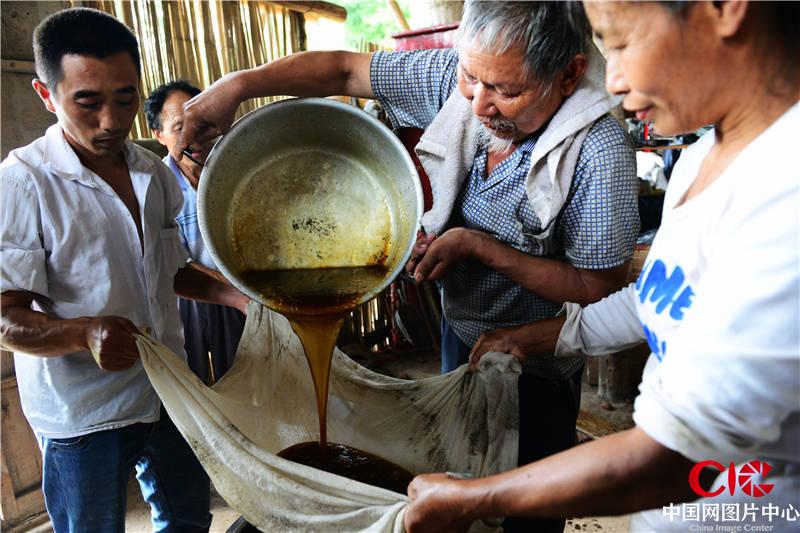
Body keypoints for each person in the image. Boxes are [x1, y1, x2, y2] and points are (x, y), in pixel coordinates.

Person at [173, 4, 638, 530]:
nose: (480, 104)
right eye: (471, 78)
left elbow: (598, 287)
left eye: (506, 91)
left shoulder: (597, 153)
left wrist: (481, 248)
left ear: (570, 74)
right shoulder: (456, 84)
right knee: (455, 478)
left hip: (539, 365)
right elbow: (344, 70)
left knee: (527, 504)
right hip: (461, 334)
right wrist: (239, 84)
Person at [402, 1, 800, 532]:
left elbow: (675, 456)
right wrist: (543, 336)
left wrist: (475, 498)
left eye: (621, 40)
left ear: (724, 10)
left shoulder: (785, 196)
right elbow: (665, 296)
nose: (612, 80)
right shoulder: (709, 156)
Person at [0, 8, 250, 532]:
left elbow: (170, 271)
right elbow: (5, 317)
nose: (112, 121)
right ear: (46, 95)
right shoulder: (24, 183)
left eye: (126, 98)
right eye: (87, 102)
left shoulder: (152, 173)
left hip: (165, 390)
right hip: (82, 417)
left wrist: (238, 299)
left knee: (186, 518)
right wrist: (82, 332)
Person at [144, 81, 246, 385]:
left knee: (246, 379)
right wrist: (230, 286)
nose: (193, 137)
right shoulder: (156, 186)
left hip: (241, 296)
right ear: (158, 135)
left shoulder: (233, 172)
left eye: (200, 125)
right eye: (178, 128)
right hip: (189, 297)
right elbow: (175, 263)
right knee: (198, 382)